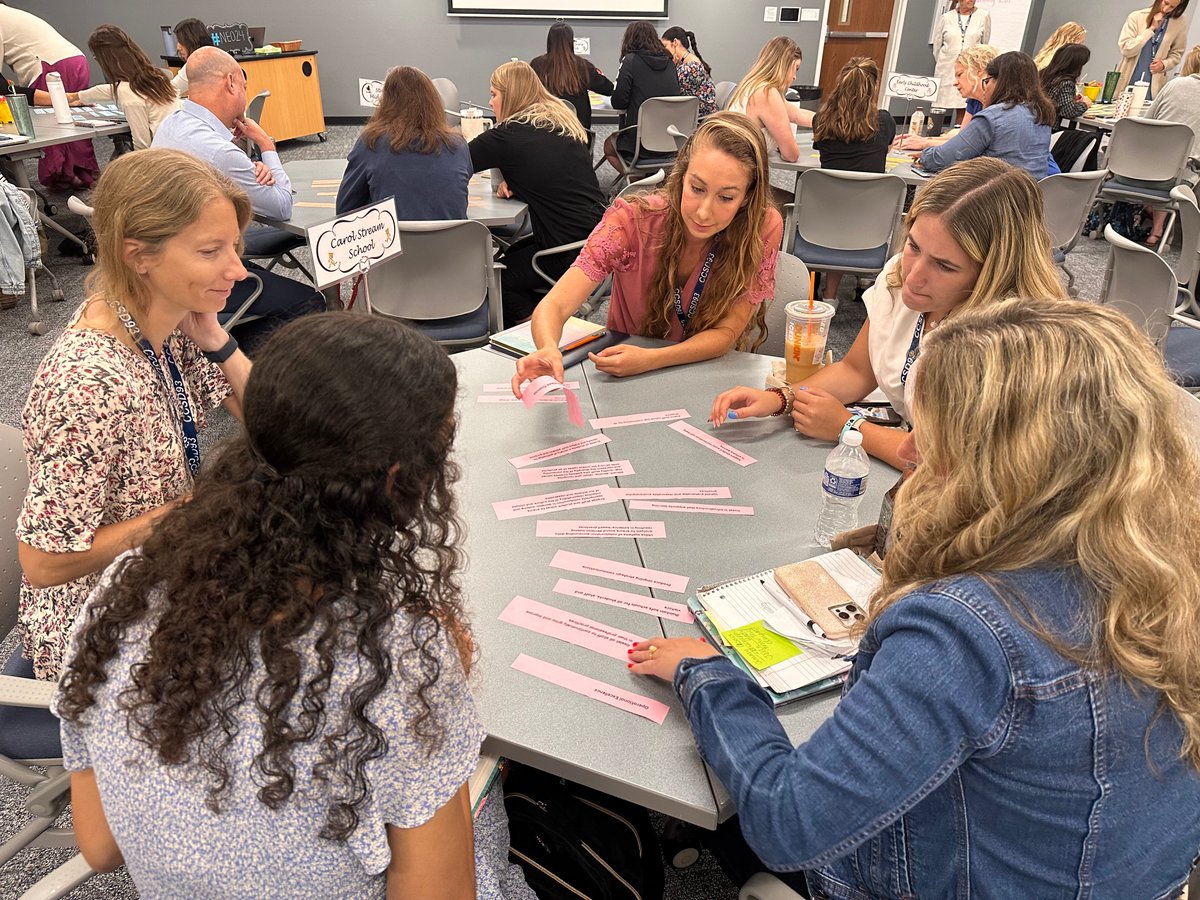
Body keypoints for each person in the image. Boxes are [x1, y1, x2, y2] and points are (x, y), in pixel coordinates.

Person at [638, 297, 1200, 898]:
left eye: (929, 439)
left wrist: (707, 676)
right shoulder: (1166, 552)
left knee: (742, 801)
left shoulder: (969, 627)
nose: (905, 452)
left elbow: (789, 821)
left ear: (1003, 464)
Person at [53, 313, 533, 899]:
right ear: (400, 481)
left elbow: (99, 846)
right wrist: (443, 736)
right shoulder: (398, 658)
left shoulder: (125, 588)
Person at [16, 149, 252, 682]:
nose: (237, 270)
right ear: (137, 255)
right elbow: (43, 563)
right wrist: (186, 511)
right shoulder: (88, 384)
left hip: (163, 571)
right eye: (210, 251)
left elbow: (275, 423)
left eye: (234, 248)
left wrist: (215, 337)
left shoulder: (166, 318)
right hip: (100, 623)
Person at [710, 157, 1067, 469]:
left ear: (993, 272)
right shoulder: (900, 276)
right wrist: (783, 398)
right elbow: (857, 370)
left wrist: (849, 428)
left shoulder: (1008, 339)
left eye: (944, 266)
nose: (913, 275)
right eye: (913, 245)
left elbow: (952, 465)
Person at [512, 112, 782, 388]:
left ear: (748, 196)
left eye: (726, 197)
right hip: (624, 378)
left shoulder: (761, 228)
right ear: (682, 174)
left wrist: (652, 359)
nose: (704, 212)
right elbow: (554, 305)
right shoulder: (632, 221)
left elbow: (726, 333)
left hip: (701, 376)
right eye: (696, 188)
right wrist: (547, 347)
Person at [153, 46, 323, 347]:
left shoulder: (171, 125)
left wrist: (246, 165)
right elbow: (282, 206)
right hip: (203, 274)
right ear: (231, 82)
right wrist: (265, 145)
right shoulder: (220, 151)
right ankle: (220, 355)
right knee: (310, 303)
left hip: (167, 268)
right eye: (244, 87)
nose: (245, 94)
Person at [469, 61, 605, 323]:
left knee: (498, 281)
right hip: (596, 238)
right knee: (510, 255)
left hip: (567, 253)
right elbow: (554, 175)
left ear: (510, 96)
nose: (490, 102)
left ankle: (534, 331)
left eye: (494, 94)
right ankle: (551, 312)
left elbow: (454, 162)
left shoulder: (508, 136)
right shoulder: (560, 122)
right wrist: (518, 182)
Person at [809, 57, 896, 305]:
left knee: (836, 207)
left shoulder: (822, 121)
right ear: (873, 88)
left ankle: (815, 290)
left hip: (823, 217)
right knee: (850, 209)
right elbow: (884, 150)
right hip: (868, 222)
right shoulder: (885, 122)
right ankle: (831, 294)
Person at [336, 66, 471, 220]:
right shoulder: (459, 146)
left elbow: (344, 210)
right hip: (452, 242)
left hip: (392, 241)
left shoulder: (371, 143)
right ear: (434, 101)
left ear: (386, 103)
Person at [31, 25, 180, 151]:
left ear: (107, 58)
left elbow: (142, 144)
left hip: (164, 155)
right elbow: (107, 90)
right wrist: (76, 96)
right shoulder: (156, 76)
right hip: (182, 145)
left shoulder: (127, 90)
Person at [0, 3, 98, 190]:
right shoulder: (11, 14)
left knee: (51, 124)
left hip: (50, 66)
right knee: (71, 122)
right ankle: (80, 174)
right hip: (74, 60)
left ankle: (64, 174)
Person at [916, 51, 1055, 180]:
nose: (985, 88)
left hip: (995, 198)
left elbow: (944, 158)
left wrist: (924, 155)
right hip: (1032, 197)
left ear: (999, 82)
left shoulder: (993, 117)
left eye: (987, 81)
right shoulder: (1041, 114)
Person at [1139, 44, 1200, 243]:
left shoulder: (1174, 84)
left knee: (1168, 162)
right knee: (1179, 166)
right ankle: (1157, 230)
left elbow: (1147, 121)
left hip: (1142, 165)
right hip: (1183, 173)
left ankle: (1151, 215)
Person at [604, 20, 681, 172]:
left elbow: (618, 102)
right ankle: (654, 180)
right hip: (672, 141)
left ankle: (635, 178)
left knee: (608, 147)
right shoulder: (670, 63)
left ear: (629, 40)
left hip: (640, 144)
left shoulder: (630, 60)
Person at [894, 43, 998, 151]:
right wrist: (924, 140)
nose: (955, 82)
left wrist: (925, 143)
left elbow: (963, 144)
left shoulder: (997, 106)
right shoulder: (974, 100)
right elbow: (962, 137)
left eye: (959, 75)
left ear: (979, 72)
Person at [727, 36, 813, 164]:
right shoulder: (766, 94)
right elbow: (791, 155)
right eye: (796, 68)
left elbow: (797, 115)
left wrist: (832, 123)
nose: (795, 77)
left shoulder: (755, 85)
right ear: (784, 65)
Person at [529, 21, 613, 130]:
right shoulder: (583, 66)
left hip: (544, 135)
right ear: (571, 42)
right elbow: (608, 89)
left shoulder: (537, 65)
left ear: (549, 41)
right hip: (579, 138)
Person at [1117, 0, 1191, 95]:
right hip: (1127, 82)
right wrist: (1151, 29)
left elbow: (1177, 54)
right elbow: (1126, 50)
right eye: (1166, 3)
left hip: (1153, 87)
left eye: (1172, 7)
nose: (1166, 9)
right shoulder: (1136, 16)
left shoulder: (1179, 23)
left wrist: (1164, 64)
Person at [931, 0, 992, 114]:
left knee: (964, 104)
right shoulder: (946, 17)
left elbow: (984, 45)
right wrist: (946, 61)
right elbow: (937, 47)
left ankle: (961, 129)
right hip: (946, 67)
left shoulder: (983, 16)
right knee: (940, 105)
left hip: (970, 68)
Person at [662, 26, 717, 117]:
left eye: (665, 46)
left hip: (701, 118)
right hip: (692, 114)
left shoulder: (691, 67)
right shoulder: (686, 63)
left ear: (675, 42)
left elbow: (669, 89)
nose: (663, 50)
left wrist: (670, 66)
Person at [1039, 43, 1094, 122]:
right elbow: (1068, 111)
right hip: (1049, 128)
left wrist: (1072, 99)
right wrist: (1085, 104)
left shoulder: (1043, 74)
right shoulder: (1065, 82)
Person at [169, 16, 212, 96]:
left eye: (181, 42)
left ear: (192, 40)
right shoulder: (217, 57)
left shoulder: (195, 64)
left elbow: (170, 91)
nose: (178, 47)